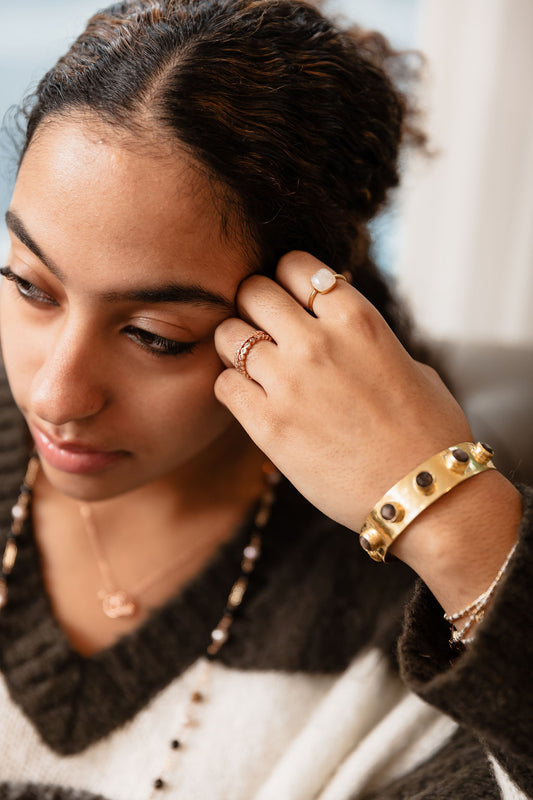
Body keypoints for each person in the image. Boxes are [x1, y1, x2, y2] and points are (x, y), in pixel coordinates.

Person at [0, 1, 530, 798]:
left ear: (301, 315)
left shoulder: (400, 638)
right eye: (29, 286)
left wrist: (456, 527)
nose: (55, 395)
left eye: (154, 335)